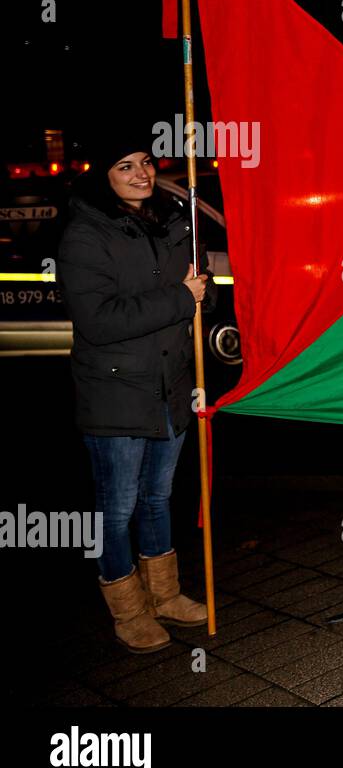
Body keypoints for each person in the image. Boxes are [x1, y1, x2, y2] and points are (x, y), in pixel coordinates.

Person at [57, 132, 217, 652]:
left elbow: (194, 299)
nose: (141, 174)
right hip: (116, 395)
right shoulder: (86, 235)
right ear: (102, 176)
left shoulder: (170, 223)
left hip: (168, 388)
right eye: (124, 166)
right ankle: (128, 612)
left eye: (145, 163)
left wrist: (202, 291)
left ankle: (165, 596)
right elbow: (99, 321)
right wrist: (179, 296)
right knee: (117, 508)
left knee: (158, 498)